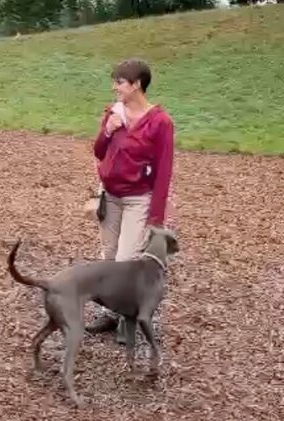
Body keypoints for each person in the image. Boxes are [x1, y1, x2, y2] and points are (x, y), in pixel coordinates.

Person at [86, 58, 175, 343]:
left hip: (139, 199)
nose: (115, 87)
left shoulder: (160, 122)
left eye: (120, 82)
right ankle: (111, 314)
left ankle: (130, 319)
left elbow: (164, 170)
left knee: (127, 260)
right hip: (110, 196)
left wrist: (156, 217)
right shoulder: (113, 113)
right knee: (109, 259)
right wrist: (108, 130)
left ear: (137, 84)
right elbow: (99, 151)